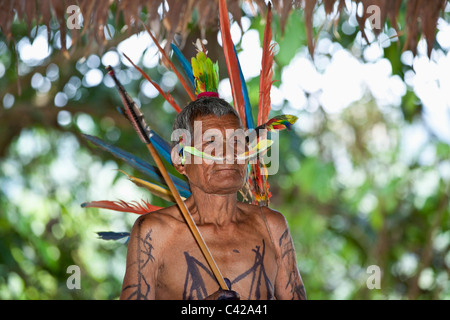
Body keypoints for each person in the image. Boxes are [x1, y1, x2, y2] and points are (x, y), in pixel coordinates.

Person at [120, 97, 306, 300]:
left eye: (236, 141)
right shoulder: (154, 232)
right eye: (211, 142)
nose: (228, 153)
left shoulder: (271, 226)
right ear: (181, 160)